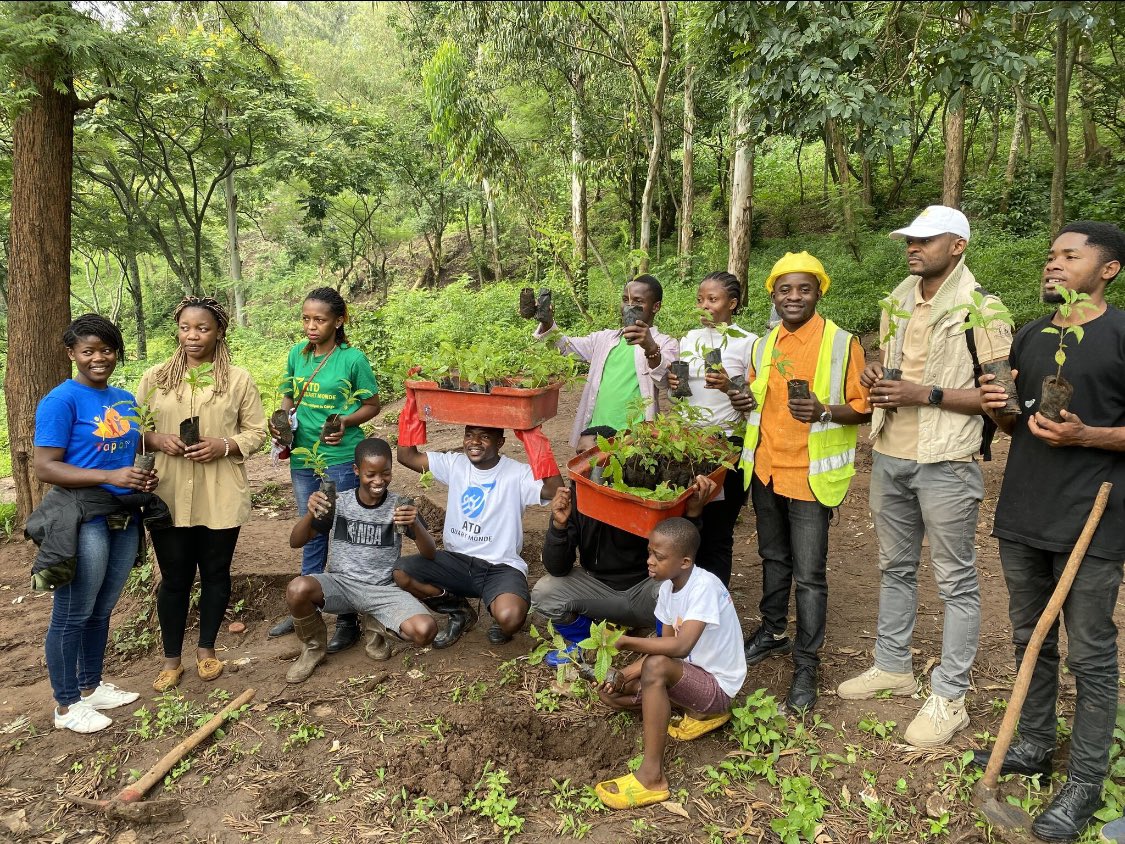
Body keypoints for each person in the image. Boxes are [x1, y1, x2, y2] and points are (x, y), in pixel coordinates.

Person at [838, 206, 1013, 747]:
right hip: (891, 451)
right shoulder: (899, 299)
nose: (912, 248)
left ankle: (950, 695)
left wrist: (925, 394)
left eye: (924, 240)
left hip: (946, 459)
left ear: (956, 246)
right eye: (908, 240)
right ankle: (892, 665)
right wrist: (875, 371)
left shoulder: (982, 311)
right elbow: (892, 366)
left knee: (956, 579)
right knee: (894, 565)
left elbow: (999, 401)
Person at [977, 221, 1125, 843]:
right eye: (1050, 255)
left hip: (1094, 515)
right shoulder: (1033, 336)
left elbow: (1090, 431)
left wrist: (1088, 435)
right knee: (1026, 637)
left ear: (1108, 269)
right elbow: (1025, 428)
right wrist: (1002, 411)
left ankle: (1085, 783)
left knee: (1090, 652)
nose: (1053, 264)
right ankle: (1034, 742)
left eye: (1070, 255)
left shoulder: (1121, 335)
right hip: (1024, 513)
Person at [731, 252, 869, 714]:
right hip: (767, 469)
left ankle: (807, 662)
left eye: (804, 289)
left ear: (818, 293)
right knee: (773, 557)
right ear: (773, 294)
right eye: (785, 289)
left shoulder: (841, 343)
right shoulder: (762, 344)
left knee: (809, 576)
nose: (794, 297)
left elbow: (863, 407)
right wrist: (738, 398)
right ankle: (772, 631)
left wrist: (826, 411)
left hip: (811, 478)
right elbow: (755, 401)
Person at [31, 315, 157, 733]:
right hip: (80, 515)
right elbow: (45, 467)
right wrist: (110, 476)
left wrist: (140, 471)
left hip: (122, 514)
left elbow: (128, 446)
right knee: (72, 612)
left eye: (106, 350)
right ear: (72, 354)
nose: (98, 358)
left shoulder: (121, 398)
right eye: (88, 351)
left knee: (102, 609)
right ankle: (66, 706)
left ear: (116, 353)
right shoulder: (61, 400)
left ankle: (90, 686)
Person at [137, 296, 267, 692]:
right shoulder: (156, 378)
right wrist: (157, 439)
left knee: (215, 574)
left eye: (203, 328)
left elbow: (257, 431)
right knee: (174, 578)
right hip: (170, 494)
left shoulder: (238, 380)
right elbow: (132, 430)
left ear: (219, 332)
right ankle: (172, 659)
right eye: (185, 328)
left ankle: (207, 650)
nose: (193, 336)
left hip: (220, 493)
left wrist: (224, 445)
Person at [591, 518, 746, 809]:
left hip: (716, 688)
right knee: (611, 691)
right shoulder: (666, 590)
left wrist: (624, 641)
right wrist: (622, 674)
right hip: (688, 674)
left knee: (655, 669)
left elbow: (679, 646)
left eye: (659, 557)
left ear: (685, 561)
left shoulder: (705, 587)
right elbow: (665, 650)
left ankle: (652, 778)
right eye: (650, 552)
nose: (649, 561)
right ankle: (689, 711)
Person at [395, 388, 563, 646]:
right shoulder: (455, 465)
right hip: (455, 561)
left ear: (500, 443)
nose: (474, 442)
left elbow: (554, 490)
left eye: (484, 436)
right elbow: (406, 456)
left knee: (511, 617)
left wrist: (532, 437)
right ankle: (458, 610)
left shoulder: (516, 474)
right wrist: (413, 405)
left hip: (499, 567)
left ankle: (500, 616)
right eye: (469, 435)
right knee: (400, 572)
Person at [533, 426, 715, 663]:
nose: (587, 464)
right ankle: (594, 643)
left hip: (646, 589)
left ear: (618, 458)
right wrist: (558, 526)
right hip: (598, 589)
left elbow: (682, 553)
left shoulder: (647, 492)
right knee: (545, 592)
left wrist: (693, 514)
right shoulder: (575, 497)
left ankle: (662, 650)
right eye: (580, 455)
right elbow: (557, 568)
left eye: (594, 455)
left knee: (674, 589)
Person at [268, 287, 381, 654]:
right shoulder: (296, 355)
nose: (311, 326)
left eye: (319, 319)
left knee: (342, 532)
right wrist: (282, 420)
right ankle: (306, 607)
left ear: (338, 320)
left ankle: (347, 616)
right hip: (303, 457)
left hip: (340, 456)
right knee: (312, 526)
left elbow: (373, 404)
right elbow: (288, 394)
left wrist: (345, 422)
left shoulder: (352, 359)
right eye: (306, 319)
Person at [284, 438, 439, 683]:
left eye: (385, 473)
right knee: (297, 588)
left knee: (425, 631)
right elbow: (296, 541)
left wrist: (416, 523)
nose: (379, 481)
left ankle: (376, 624)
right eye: (371, 474)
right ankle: (313, 649)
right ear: (357, 471)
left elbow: (430, 553)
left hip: (382, 590)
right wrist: (309, 513)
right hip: (341, 584)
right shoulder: (338, 503)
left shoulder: (399, 506)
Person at [663, 271, 757, 586]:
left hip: (727, 448)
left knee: (717, 531)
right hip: (687, 445)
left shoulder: (749, 342)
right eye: (700, 300)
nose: (705, 306)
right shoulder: (688, 339)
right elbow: (678, 394)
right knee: (687, 525)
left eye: (713, 300)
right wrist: (673, 384)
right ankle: (683, 597)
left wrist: (730, 386)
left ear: (732, 303)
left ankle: (713, 601)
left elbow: (754, 403)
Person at [534, 275, 678, 447]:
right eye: (625, 300)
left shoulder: (665, 343)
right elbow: (566, 347)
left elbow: (665, 383)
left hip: (636, 435)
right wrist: (548, 323)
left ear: (656, 306)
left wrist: (651, 348)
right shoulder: (605, 339)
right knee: (595, 471)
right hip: (597, 432)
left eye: (638, 301)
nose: (629, 306)